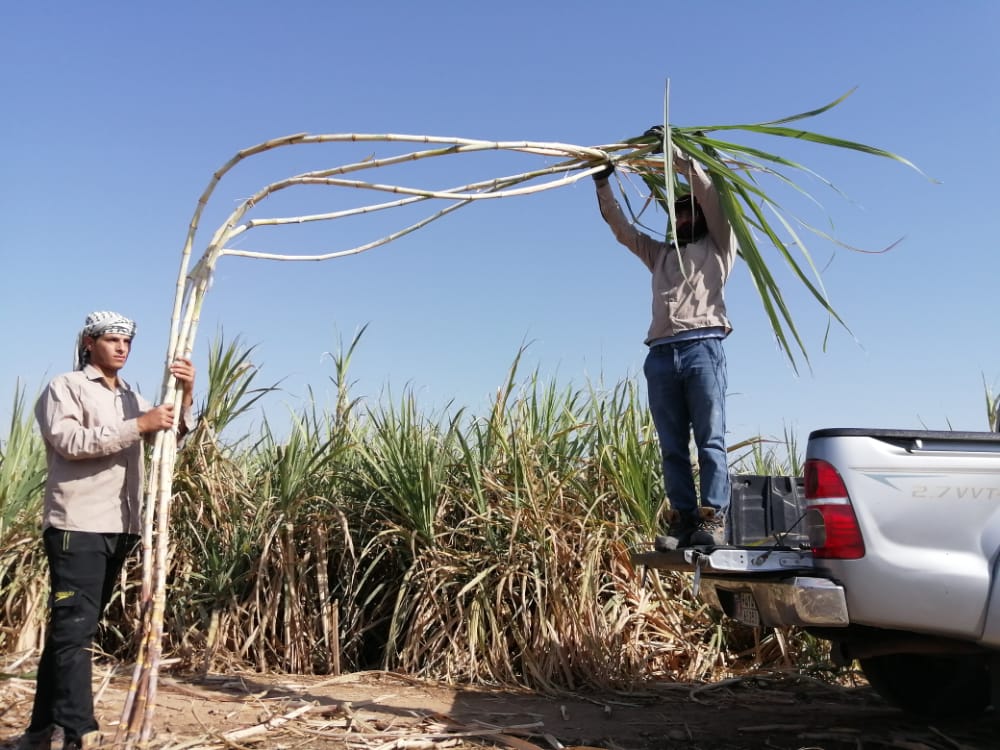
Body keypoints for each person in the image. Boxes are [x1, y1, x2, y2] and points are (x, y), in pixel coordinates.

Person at [19, 311, 196, 750]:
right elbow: (70, 443)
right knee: (74, 629)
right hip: (76, 524)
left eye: (126, 342)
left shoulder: (132, 396)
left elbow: (168, 439)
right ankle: (80, 730)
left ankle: (40, 732)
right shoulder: (66, 387)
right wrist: (139, 425)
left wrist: (186, 394)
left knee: (72, 630)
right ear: (89, 343)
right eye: (112, 340)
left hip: (120, 526)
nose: (121, 348)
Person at [592, 129, 738, 549]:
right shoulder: (661, 255)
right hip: (660, 355)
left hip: (702, 348)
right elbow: (621, 230)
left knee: (710, 438)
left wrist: (676, 157)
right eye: (677, 215)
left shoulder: (719, 246)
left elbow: (709, 195)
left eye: (688, 212)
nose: (682, 219)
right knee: (671, 444)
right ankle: (683, 520)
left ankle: (713, 518)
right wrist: (603, 182)